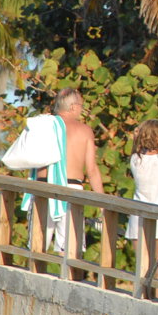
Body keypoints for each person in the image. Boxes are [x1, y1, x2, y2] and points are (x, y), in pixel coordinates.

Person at [30, 88, 105, 255]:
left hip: (43, 187)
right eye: (81, 106)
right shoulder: (84, 130)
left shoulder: (45, 124)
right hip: (72, 189)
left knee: (36, 245)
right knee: (70, 250)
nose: (81, 110)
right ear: (72, 107)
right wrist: (102, 205)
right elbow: (92, 170)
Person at [126, 119, 158, 298]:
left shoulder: (135, 159)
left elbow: (136, 151)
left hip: (137, 218)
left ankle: (143, 303)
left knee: (143, 270)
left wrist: (136, 139)